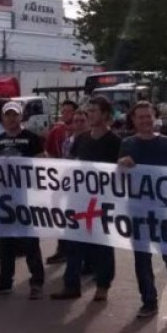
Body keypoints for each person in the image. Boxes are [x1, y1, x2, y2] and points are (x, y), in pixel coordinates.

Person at [118, 101, 167, 323]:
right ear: (134, 120)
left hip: (163, 211)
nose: (145, 120)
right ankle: (148, 301)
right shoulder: (127, 144)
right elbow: (119, 179)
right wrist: (121, 164)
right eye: (141, 117)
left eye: (148, 116)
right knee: (142, 258)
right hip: (137, 212)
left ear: (154, 117)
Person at [51, 96, 121, 302]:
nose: (90, 115)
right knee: (73, 244)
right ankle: (71, 285)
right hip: (79, 200)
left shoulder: (115, 142)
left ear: (106, 115)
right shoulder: (81, 139)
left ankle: (103, 285)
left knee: (102, 246)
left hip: (102, 203)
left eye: (95, 111)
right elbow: (71, 166)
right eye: (88, 111)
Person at [0, 101, 46, 299]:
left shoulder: (32, 138)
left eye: (14, 115)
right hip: (3, 199)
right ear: (2, 118)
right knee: (4, 243)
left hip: (25, 199)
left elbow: (43, 164)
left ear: (21, 117)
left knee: (29, 242)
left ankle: (36, 282)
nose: (11, 118)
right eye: (7, 115)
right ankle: (4, 282)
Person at [45, 99, 78, 265]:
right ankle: (62, 248)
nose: (66, 114)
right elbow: (49, 153)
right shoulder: (56, 131)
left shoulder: (82, 132)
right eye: (63, 111)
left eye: (69, 111)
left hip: (78, 184)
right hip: (60, 181)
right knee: (60, 216)